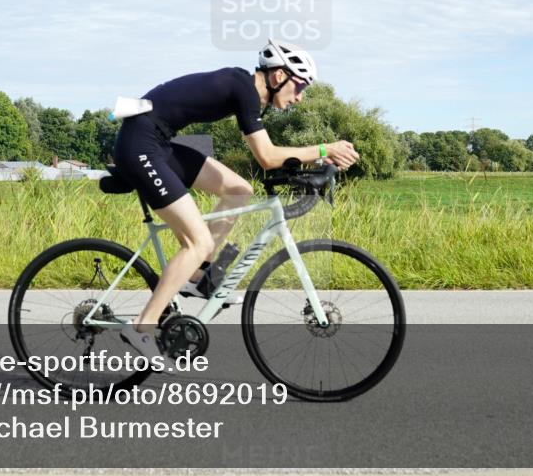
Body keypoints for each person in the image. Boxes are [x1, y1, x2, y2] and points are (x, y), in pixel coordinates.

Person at [112, 40, 360, 359]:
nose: (299, 96)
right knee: (197, 242)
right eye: (299, 85)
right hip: (139, 145)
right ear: (277, 76)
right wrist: (325, 150)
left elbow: (270, 158)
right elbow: (268, 157)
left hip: (158, 142)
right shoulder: (242, 88)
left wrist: (313, 165)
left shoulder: (242, 90)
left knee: (239, 190)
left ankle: (198, 275)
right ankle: (141, 328)